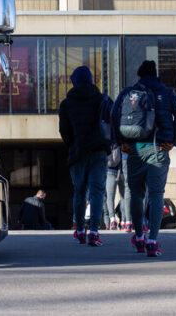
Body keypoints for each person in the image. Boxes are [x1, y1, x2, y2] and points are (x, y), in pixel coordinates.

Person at [112, 60, 176, 257]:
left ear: (139, 75)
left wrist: (120, 142)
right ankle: (153, 240)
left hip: (133, 149)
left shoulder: (129, 92)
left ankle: (139, 237)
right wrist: (174, 141)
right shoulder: (167, 93)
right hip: (159, 148)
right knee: (157, 194)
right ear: (156, 74)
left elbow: (114, 114)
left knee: (136, 194)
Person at [59, 65, 111, 247]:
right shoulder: (101, 99)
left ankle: (80, 230)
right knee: (97, 192)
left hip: (78, 153)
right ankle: (94, 231)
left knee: (79, 192)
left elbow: (64, 132)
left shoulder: (66, 104)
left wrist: (74, 145)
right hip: (98, 152)